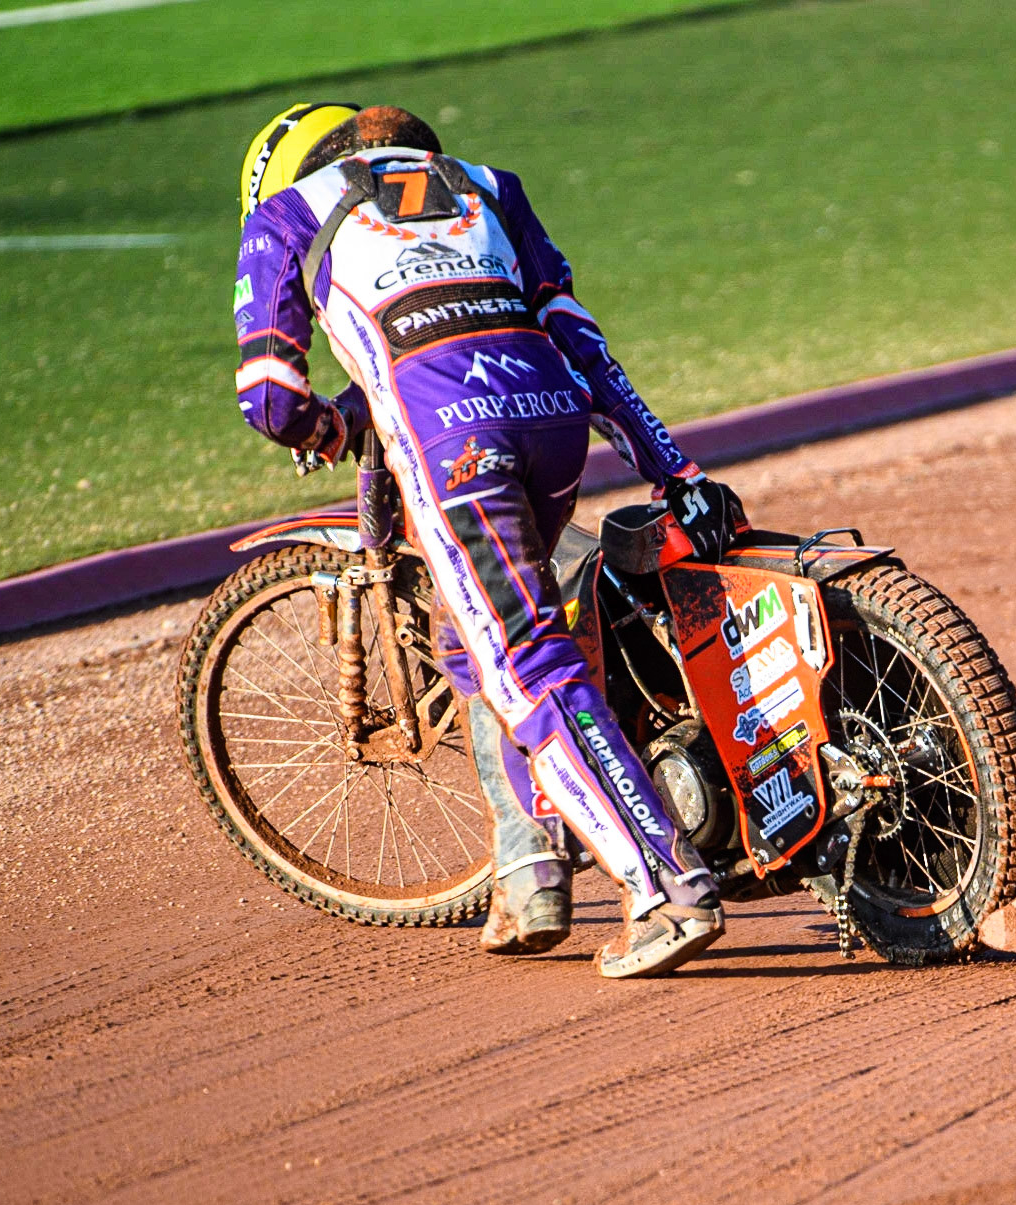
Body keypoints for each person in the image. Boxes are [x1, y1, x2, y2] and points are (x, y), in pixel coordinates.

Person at [231, 103, 742, 978]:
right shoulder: (491, 187)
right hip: (552, 427)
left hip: (454, 448)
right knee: (472, 647)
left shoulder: (290, 214)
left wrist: (326, 432)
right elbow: (584, 348)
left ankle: (666, 885)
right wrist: (676, 472)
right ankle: (530, 870)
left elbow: (270, 396)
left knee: (529, 666)